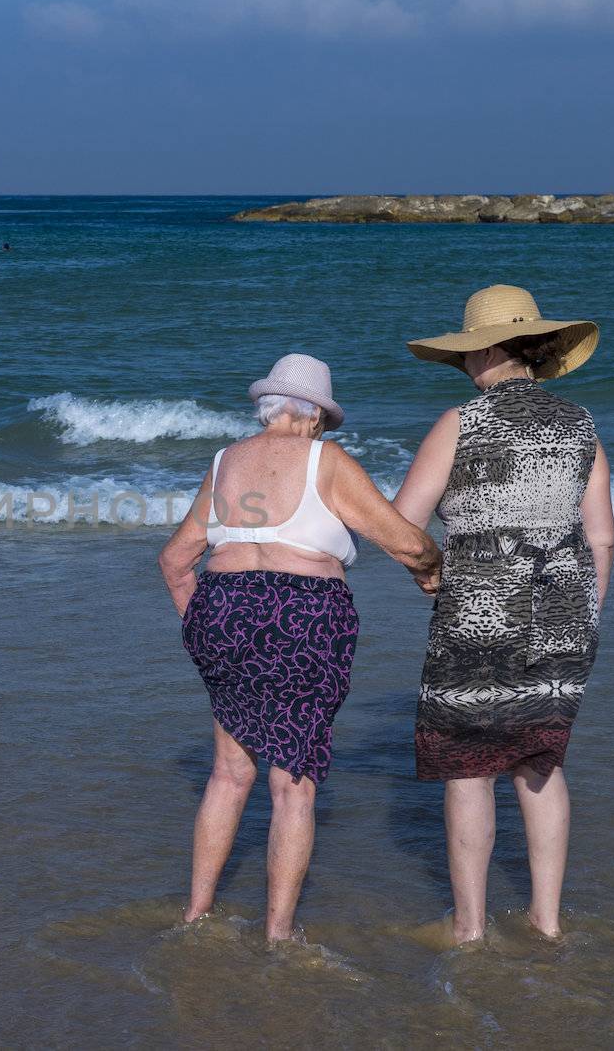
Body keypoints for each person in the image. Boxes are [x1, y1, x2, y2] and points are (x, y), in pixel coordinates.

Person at [159, 354, 442, 943]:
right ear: (315, 419)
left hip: (224, 609)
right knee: (293, 782)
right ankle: (278, 933)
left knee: (228, 773)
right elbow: (405, 543)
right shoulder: (327, 461)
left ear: (268, 409)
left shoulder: (224, 462)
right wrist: (435, 573)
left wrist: (204, 633)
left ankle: (196, 913)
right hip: (303, 616)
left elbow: (176, 561)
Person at [394, 284, 614, 943]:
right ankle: (546, 922)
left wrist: (427, 572)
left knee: (470, 771)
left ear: (486, 350)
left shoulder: (461, 424)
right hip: (567, 612)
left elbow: (403, 523)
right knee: (540, 764)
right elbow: (600, 537)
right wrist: (584, 612)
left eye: (464, 355)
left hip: (481, 609)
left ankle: (470, 929)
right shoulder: (581, 424)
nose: (463, 366)